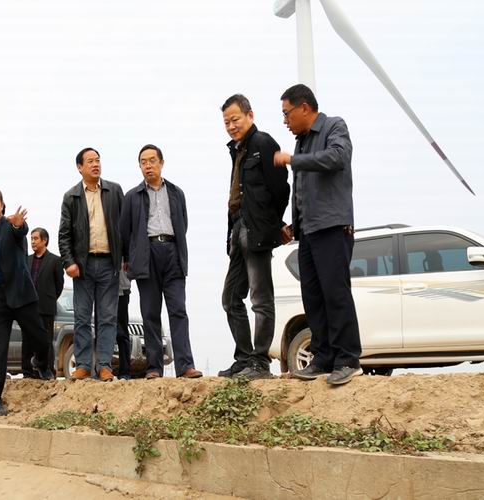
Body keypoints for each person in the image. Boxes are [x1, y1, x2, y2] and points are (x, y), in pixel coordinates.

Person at [273, 83, 362, 385]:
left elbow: (337, 158)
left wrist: (292, 160)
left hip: (332, 227)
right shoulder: (301, 143)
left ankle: (347, 359)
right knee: (313, 298)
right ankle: (323, 358)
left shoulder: (334, 127)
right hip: (308, 233)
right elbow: (303, 191)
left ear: (304, 107)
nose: (285, 121)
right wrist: (294, 225)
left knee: (335, 294)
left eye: (287, 113)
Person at [219, 94, 290, 380]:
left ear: (250, 115)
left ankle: (260, 362)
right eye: (226, 122)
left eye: (235, 119)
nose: (231, 126)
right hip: (238, 228)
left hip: (257, 230)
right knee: (230, 298)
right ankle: (244, 357)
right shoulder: (238, 150)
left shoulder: (263, 143)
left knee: (260, 298)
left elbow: (281, 189)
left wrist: (271, 225)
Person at [121, 144, 202, 379]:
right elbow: (124, 231)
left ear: (161, 163)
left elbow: (183, 223)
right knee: (150, 313)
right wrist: (128, 258)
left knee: (178, 310)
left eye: (152, 161)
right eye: (143, 162)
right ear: (139, 166)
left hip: (173, 253)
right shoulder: (132, 196)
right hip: (146, 256)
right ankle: (154, 367)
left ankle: (185, 366)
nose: (148, 166)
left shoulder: (176, 193)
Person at [0, 187, 54, 416]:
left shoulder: (12, 226)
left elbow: (21, 231)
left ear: (2, 204)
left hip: (22, 293)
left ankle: (41, 363)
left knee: (40, 337)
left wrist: (19, 225)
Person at [58, 147, 124, 382]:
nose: (96, 164)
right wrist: (69, 262)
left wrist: (125, 258)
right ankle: (84, 365)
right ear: (80, 167)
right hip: (83, 266)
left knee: (107, 317)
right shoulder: (71, 196)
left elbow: (124, 226)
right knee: (82, 318)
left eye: (98, 160)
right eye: (90, 161)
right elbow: (64, 234)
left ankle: (104, 365)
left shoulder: (114, 191)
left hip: (109, 263)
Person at [24, 227, 64, 378]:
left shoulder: (55, 260)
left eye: (35, 238)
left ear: (44, 240)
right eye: (31, 239)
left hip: (46, 307)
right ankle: (28, 371)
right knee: (28, 339)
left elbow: (59, 285)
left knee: (46, 340)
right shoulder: (27, 259)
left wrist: (49, 297)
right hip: (28, 307)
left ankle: (47, 370)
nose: (33, 242)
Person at [116, 265, 132, 380]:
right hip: (102, 290)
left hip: (122, 290)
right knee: (101, 330)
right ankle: (101, 368)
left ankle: (125, 371)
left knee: (122, 332)